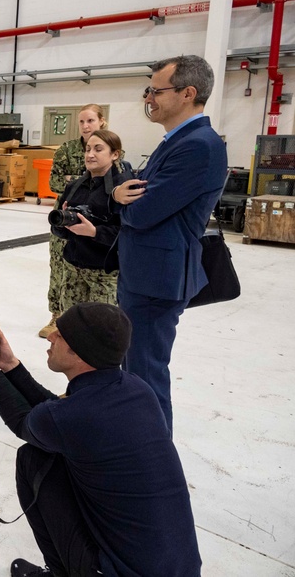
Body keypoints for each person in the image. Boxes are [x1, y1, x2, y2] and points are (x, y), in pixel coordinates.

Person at [0, 303, 201, 577]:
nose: (50, 337)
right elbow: (55, 416)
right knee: (55, 454)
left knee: (32, 459)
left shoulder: (76, 416)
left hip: (120, 571)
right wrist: (9, 365)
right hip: (179, 566)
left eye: (60, 334)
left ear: (80, 353)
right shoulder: (137, 389)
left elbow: (27, 422)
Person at [112, 55, 227, 431]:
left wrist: (121, 202)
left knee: (146, 378)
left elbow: (142, 211)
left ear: (188, 93)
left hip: (156, 281)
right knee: (134, 371)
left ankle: (153, 465)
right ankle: (138, 447)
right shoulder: (176, 140)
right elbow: (138, 194)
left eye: (156, 90)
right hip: (143, 275)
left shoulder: (199, 146)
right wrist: (122, 195)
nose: (149, 98)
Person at [40, 104, 107, 338]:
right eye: (82, 122)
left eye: (90, 121)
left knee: (91, 271)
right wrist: (82, 181)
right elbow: (54, 183)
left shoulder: (110, 147)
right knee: (59, 268)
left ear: (101, 122)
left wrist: (74, 180)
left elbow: (110, 182)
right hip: (65, 222)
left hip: (96, 221)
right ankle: (56, 314)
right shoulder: (66, 150)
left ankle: (85, 318)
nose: (86, 126)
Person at [49, 130, 133, 313]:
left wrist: (95, 232)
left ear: (115, 154)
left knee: (100, 332)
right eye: (87, 149)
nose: (90, 154)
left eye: (98, 149)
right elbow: (57, 228)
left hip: (105, 275)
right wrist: (62, 225)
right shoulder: (74, 187)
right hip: (73, 270)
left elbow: (129, 233)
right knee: (70, 329)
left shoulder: (124, 188)